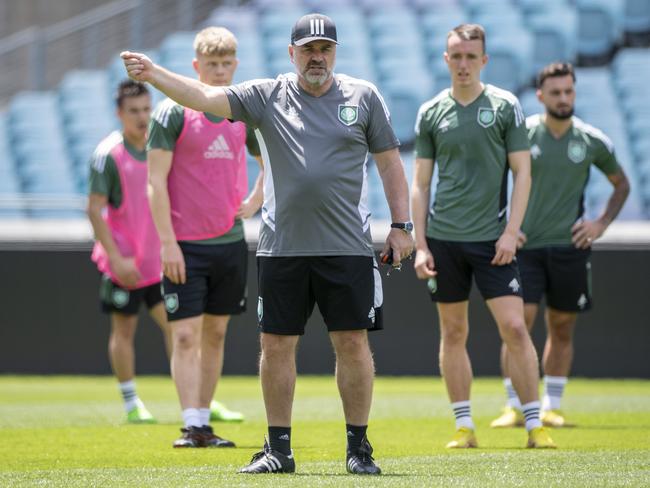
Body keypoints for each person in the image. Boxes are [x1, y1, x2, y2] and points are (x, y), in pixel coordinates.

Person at [122, 12, 413, 474]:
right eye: (308, 49)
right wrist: (154, 74)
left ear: (335, 52)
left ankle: (358, 450)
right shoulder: (266, 95)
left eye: (325, 49)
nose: (317, 56)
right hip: (282, 248)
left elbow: (390, 164)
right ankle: (279, 450)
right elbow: (202, 95)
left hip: (348, 247)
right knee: (276, 345)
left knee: (353, 343)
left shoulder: (364, 97)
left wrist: (403, 225)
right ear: (291, 53)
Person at [411, 24, 555, 449]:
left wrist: (512, 231)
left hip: (494, 241)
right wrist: (420, 245)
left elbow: (523, 172)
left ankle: (534, 425)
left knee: (514, 327)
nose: (463, 64)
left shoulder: (506, 105)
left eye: (471, 57)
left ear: (484, 60)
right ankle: (464, 426)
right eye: (456, 56)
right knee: (453, 333)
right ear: (445, 59)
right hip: (444, 241)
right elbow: (421, 184)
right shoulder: (431, 111)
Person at [490, 62, 630, 429]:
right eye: (556, 93)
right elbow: (490, 180)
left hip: (569, 248)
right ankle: (514, 405)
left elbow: (621, 184)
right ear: (540, 96)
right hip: (524, 249)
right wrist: (504, 227)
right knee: (517, 326)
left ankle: (551, 404)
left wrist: (600, 223)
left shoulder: (591, 141)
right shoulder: (521, 136)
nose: (564, 98)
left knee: (562, 327)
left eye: (569, 91)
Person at [146, 27, 264, 448]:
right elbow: (154, 182)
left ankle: (204, 425)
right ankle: (191, 424)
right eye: (210, 64)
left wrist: (256, 198)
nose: (217, 70)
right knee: (184, 334)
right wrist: (167, 243)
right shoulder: (172, 112)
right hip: (184, 246)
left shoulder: (242, 114)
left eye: (225, 63)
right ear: (196, 66)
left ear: (235, 66)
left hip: (229, 243)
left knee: (216, 334)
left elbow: (272, 160)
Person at [87, 80, 171, 424]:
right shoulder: (108, 154)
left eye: (146, 109)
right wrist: (117, 259)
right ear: (119, 113)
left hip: (160, 263)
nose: (142, 117)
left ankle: (197, 403)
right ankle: (131, 403)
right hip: (124, 264)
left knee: (180, 330)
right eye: (134, 111)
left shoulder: (161, 148)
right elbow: (94, 209)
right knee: (124, 331)